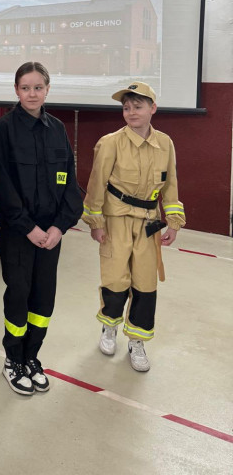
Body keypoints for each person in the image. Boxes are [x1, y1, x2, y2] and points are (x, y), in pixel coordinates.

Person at [0, 62, 83, 395]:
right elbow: (2, 186)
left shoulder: (57, 128)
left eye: (38, 87)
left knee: (44, 298)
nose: (32, 93)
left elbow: (70, 182)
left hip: (52, 235)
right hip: (20, 234)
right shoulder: (3, 129)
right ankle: (13, 360)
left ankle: (32, 357)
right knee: (19, 295)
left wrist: (60, 226)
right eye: (25, 87)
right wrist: (28, 228)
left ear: (47, 89)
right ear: (16, 90)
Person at [82, 81, 185, 372]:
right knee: (115, 281)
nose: (131, 112)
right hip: (116, 221)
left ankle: (137, 340)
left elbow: (171, 184)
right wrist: (95, 221)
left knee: (145, 284)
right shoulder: (110, 142)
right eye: (126, 107)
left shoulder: (165, 143)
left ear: (153, 108)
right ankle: (110, 328)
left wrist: (174, 222)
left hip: (149, 223)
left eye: (137, 106)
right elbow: (96, 183)